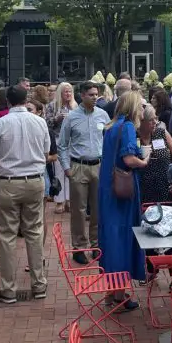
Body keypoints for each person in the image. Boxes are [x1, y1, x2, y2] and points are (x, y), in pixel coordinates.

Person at [0, 85, 49, 304]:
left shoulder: (0, 123)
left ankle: (9, 289)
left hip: (8, 182)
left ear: (7, 102)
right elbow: (46, 151)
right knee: (34, 232)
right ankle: (39, 284)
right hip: (34, 181)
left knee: (7, 235)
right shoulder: (39, 122)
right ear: (25, 99)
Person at [97, 91, 149, 309]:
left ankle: (112, 292)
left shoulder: (111, 126)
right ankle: (119, 294)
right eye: (141, 105)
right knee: (121, 238)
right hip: (122, 191)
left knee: (111, 237)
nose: (144, 110)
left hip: (108, 188)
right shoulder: (126, 127)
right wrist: (144, 160)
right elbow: (129, 159)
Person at [58, 81, 109, 263]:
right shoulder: (71, 117)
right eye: (91, 94)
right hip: (78, 166)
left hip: (99, 166)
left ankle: (96, 245)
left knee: (97, 208)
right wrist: (66, 168)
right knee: (78, 210)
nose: (95, 97)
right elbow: (62, 145)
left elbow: (107, 141)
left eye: (96, 94)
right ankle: (79, 247)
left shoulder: (103, 115)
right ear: (82, 95)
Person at [45, 83, 76, 216]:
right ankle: (59, 200)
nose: (68, 94)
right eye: (65, 92)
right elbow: (46, 123)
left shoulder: (75, 106)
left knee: (70, 170)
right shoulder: (52, 105)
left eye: (70, 91)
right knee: (59, 171)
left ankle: (69, 199)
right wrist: (57, 118)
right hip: (58, 139)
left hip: (72, 141)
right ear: (60, 93)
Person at [137, 103, 172, 205]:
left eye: (156, 118)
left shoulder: (162, 133)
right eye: (151, 120)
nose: (155, 122)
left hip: (163, 185)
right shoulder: (133, 136)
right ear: (141, 121)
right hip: (141, 187)